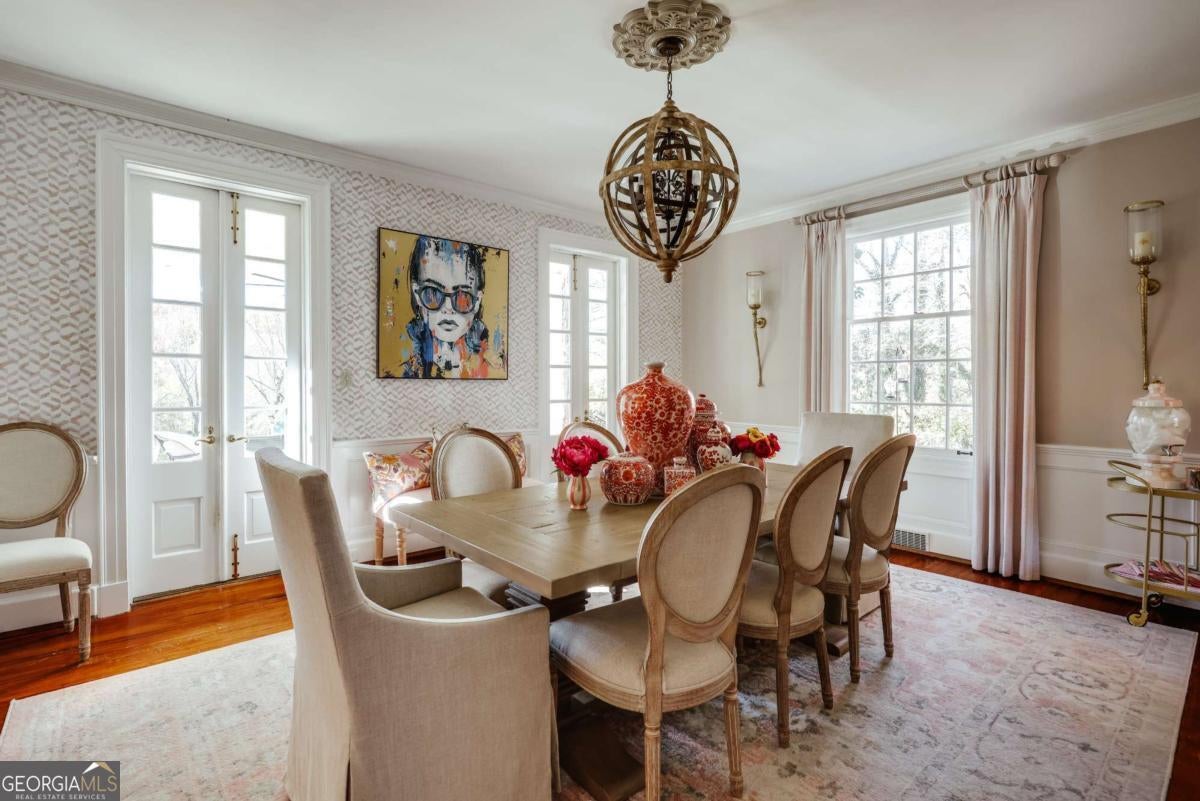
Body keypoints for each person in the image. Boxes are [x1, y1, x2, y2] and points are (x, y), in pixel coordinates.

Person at [399, 235, 503, 378]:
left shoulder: (492, 364)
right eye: (433, 294)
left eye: (463, 296)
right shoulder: (406, 364)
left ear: (477, 301)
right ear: (417, 294)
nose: (448, 309)